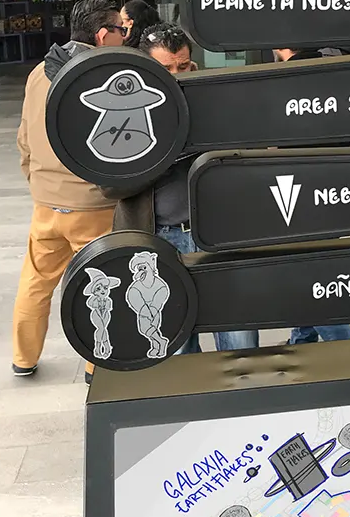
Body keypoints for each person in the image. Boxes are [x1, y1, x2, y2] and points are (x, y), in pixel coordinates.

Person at [109, 24, 259, 355]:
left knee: (239, 339)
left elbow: (245, 159)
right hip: (161, 238)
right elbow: (109, 185)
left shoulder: (214, 100)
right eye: (166, 69)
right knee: (174, 342)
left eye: (183, 66)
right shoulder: (124, 113)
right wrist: (162, 156)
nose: (176, 75)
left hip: (217, 232)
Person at [12, 0, 124, 376]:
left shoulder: (39, 72)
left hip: (46, 202)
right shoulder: (103, 77)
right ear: (103, 35)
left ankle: (23, 358)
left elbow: (24, 138)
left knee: (35, 281)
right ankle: (97, 365)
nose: (125, 38)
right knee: (99, 284)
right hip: (92, 206)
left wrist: (39, 183)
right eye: (121, 31)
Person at [272, 45, 350, 346]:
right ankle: (302, 339)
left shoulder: (282, 81)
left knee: (308, 277)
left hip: (297, 192)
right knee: (316, 270)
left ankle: (345, 346)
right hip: (335, 188)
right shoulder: (335, 72)